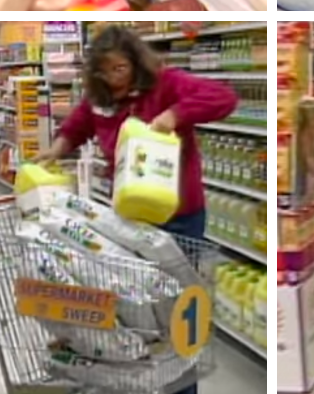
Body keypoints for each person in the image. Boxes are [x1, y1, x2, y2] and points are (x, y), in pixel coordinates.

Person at [35, 26, 238, 394]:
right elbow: (79, 125)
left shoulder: (166, 83)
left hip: (179, 216)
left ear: (135, 63)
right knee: (141, 310)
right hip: (129, 217)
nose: (112, 77)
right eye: (103, 70)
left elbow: (223, 98)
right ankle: (147, 382)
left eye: (119, 69)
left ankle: (181, 388)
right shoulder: (100, 98)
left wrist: (174, 115)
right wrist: (58, 147)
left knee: (177, 311)